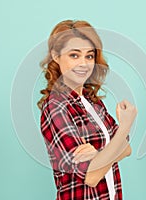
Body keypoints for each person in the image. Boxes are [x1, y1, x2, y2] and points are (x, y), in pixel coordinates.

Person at [37, 19, 137, 200]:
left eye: (89, 56)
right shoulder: (55, 107)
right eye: (74, 55)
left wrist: (98, 155)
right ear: (56, 56)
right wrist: (124, 127)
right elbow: (91, 176)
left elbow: (127, 148)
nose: (83, 63)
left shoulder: (94, 102)